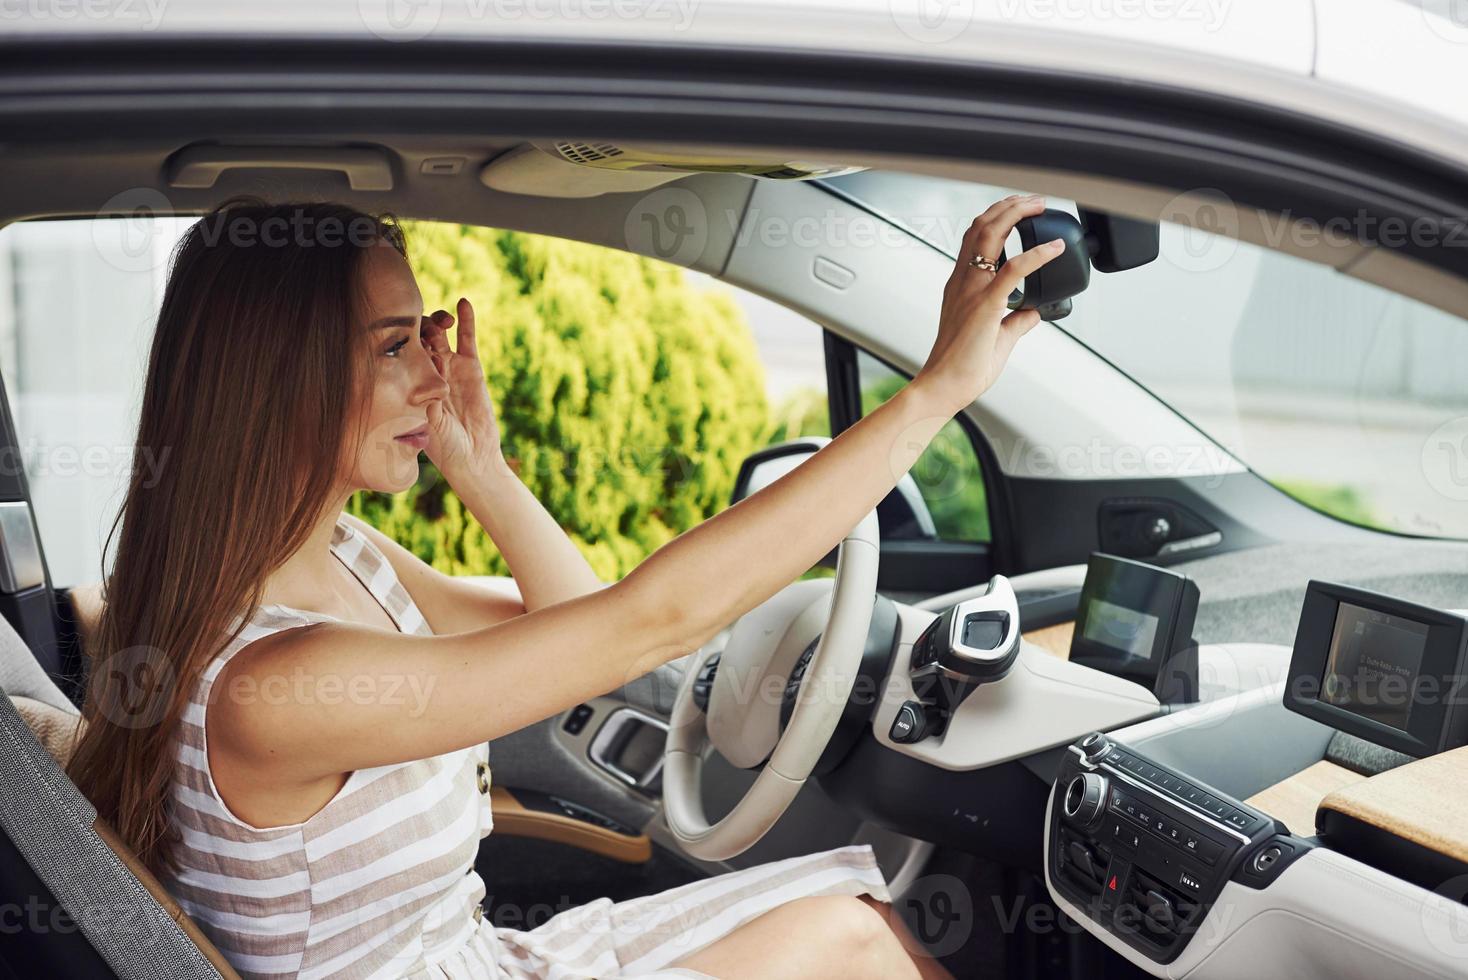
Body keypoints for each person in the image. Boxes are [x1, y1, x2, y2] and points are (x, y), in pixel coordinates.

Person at [66, 193, 1062, 979]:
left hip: (483, 956)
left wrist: (483, 469)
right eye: (391, 346)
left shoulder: (342, 557)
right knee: (850, 944)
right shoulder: (273, 685)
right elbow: (649, 623)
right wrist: (933, 393)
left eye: (423, 336)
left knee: (856, 916)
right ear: (275, 379)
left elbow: (582, 621)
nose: (434, 376)